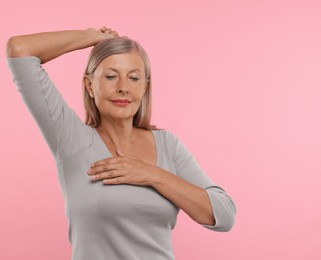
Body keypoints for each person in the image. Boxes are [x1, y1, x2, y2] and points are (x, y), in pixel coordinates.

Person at [6, 27, 236, 259]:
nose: (123, 87)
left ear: (145, 87)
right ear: (89, 86)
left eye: (134, 77)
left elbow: (223, 215)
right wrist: (89, 37)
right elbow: (20, 50)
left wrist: (151, 174)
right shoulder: (71, 139)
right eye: (111, 76)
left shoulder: (167, 144)